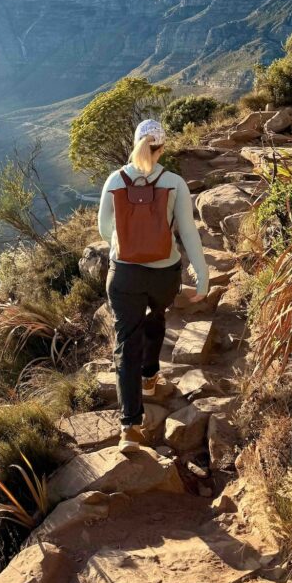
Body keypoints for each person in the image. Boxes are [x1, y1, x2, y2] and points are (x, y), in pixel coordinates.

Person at [98, 118, 209, 453]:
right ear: (162, 148)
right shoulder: (174, 183)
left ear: (135, 144)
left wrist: (131, 242)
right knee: (156, 316)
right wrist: (202, 275)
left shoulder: (115, 180)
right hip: (164, 275)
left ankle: (130, 428)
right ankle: (150, 377)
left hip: (125, 275)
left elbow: (104, 230)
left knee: (126, 343)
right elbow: (187, 232)